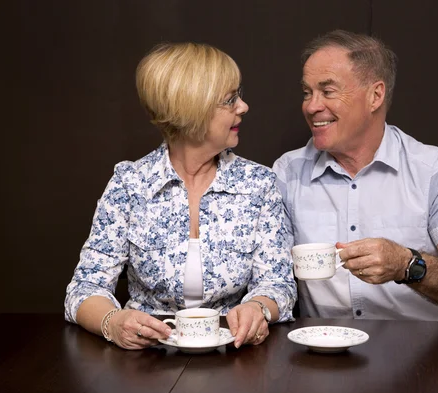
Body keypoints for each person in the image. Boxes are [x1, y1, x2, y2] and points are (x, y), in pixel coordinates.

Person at [65, 42, 296, 349]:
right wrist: (113, 322)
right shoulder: (130, 184)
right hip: (145, 362)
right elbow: (85, 287)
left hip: (235, 356)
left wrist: (258, 309)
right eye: (230, 100)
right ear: (191, 110)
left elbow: (278, 283)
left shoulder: (259, 184)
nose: (243, 107)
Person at [273, 30, 438, 321]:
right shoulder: (287, 173)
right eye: (307, 92)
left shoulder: (435, 172)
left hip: (426, 359)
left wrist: (407, 265)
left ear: (375, 95)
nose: (311, 106)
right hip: (323, 357)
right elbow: (267, 278)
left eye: (327, 91)